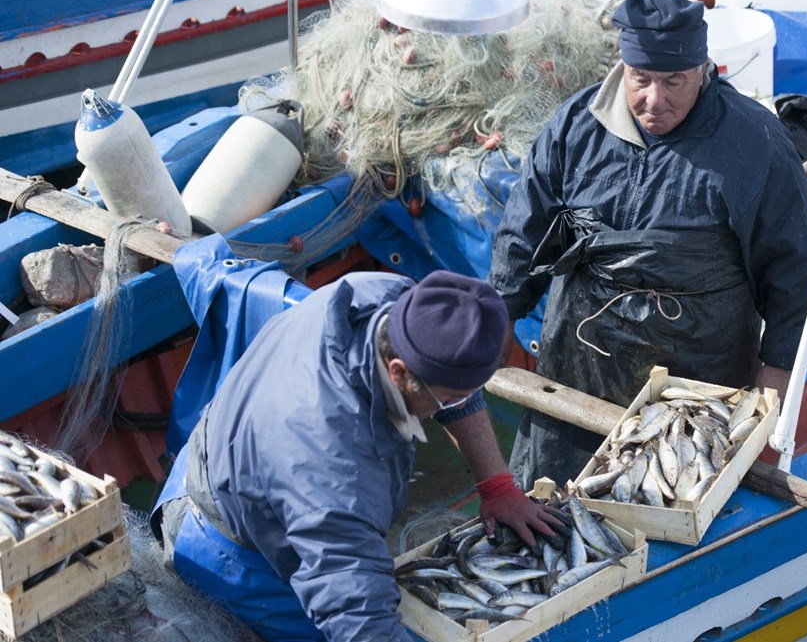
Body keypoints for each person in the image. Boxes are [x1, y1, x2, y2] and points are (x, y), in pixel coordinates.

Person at [489, 0, 807, 489]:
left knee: (674, 500)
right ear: (622, 66)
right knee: (555, 498)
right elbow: (524, 230)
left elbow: (796, 269)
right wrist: (500, 314)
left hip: (695, 371)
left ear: (705, 70)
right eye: (640, 78)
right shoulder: (576, 126)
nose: (655, 99)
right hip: (582, 358)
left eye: (674, 82)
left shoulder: (756, 144)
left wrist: (774, 378)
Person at [153, 270, 565, 641]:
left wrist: (496, 484)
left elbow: (448, 379)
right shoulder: (333, 469)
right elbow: (358, 620)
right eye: (449, 399)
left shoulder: (387, 298)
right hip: (229, 549)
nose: (455, 405)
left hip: (234, 454)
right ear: (400, 373)